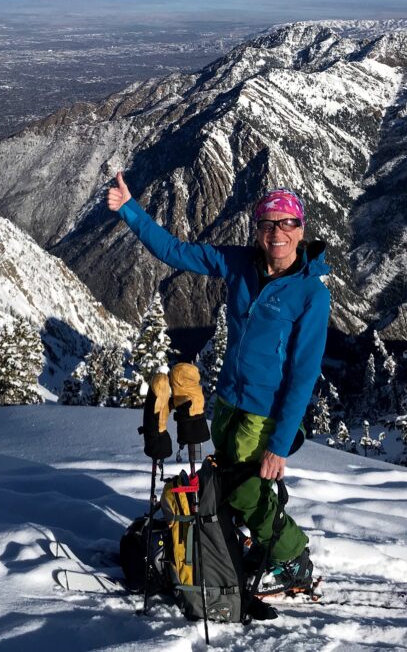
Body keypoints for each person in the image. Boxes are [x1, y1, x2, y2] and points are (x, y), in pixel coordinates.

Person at [107, 172, 331, 593]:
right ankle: (243, 543)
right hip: (229, 402)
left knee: (249, 492)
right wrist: (129, 209)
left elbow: (303, 375)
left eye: (287, 224)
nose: (277, 233)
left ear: (301, 231)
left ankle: (292, 560)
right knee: (229, 485)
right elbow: (176, 252)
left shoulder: (311, 295)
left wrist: (279, 446)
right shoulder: (239, 264)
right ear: (257, 230)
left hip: (265, 414)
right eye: (268, 224)